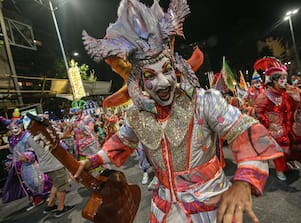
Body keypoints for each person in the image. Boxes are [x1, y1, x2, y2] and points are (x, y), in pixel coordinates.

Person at [75, 0, 283, 222]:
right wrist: (91, 161)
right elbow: (121, 142)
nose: (163, 82)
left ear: (176, 69)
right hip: (165, 209)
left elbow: (245, 130)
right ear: (139, 82)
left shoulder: (204, 102)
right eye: (150, 76)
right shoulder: (137, 116)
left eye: (166, 71)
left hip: (211, 206)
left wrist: (243, 182)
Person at [254, 60, 301, 181]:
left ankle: (290, 163)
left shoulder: (293, 91)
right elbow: (259, 112)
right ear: (274, 80)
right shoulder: (266, 95)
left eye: (285, 77)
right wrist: (268, 124)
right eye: (281, 78)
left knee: (293, 146)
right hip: (277, 128)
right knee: (279, 149)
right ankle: (280, 170)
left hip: (292, 126)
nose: (284, 80)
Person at [0, 109, 52, 211]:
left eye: (16, 127)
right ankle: (35, 199)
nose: (14, 130)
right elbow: (13, 152)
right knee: (26, 184)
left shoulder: (27, 136)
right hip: (19, 167)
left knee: (37, 180)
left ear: (21, 126)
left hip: (30, 164)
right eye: (12, 128)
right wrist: (11, 162)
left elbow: (34, 148)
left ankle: (47, 194)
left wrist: (28, 156)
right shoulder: (12, 140)